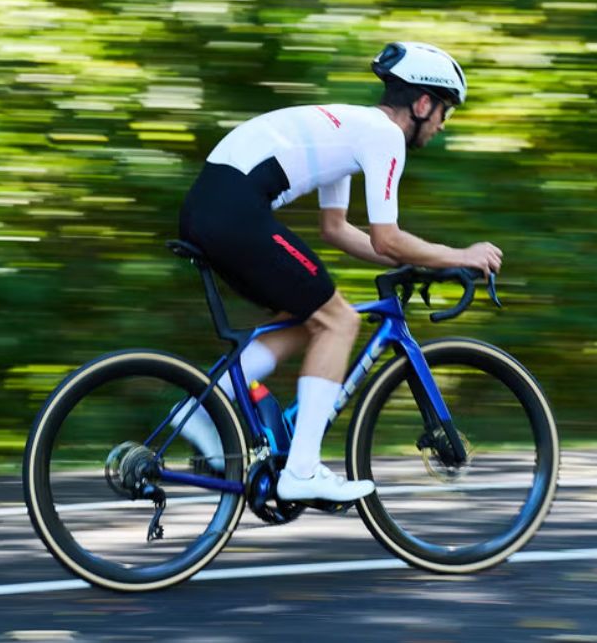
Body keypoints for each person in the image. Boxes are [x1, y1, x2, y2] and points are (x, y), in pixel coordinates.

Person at [173, 42, 502, 502]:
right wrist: (458, 254)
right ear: (422, 103)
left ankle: (204, 407)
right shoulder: (385, 137)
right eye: (444, 110)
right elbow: (386, 238)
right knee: (340, 319)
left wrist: (419, 262)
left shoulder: (350, 128)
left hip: (212, 208)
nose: (443, 124)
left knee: (308, 314)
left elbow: (338, 231)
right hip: (234, 210)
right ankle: (301, 471)